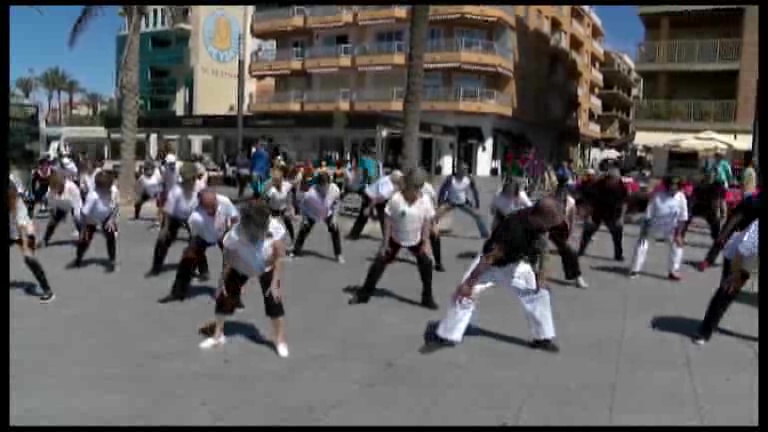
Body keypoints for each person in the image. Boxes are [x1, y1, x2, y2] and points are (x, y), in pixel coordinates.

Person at [425, 198, 565, 352]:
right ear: (541, 217)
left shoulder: (539, 221)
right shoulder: (513, 229)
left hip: (515, 263)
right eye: (551, 223)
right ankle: (447, 335)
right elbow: (489, 258)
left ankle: (542, 338)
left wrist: (542, 276)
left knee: (539, 293)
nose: (551, 227)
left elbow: (544, 248)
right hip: (489, 264)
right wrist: (469, 284)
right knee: (464, 295)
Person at [197, 200, 289, 356]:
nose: (262, 230)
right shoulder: (236, 233)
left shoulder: (275, 227)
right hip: (242, 266)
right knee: (224, 297)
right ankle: (218, 335)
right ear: (248, 224)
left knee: (274, 301)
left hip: (266, 266)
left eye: (264, 225)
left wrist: (275, 282)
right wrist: (224, 278)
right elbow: (228, 254)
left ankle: (279, 340)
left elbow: (279, 253)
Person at [348, 168, 438, 309]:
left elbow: (427, 221)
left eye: (418, 188)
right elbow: (388, 219)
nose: (416, 192)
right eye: (413, 188)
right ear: (407, 185)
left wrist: (426, 242)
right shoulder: (396, 199)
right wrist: (385, 243)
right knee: (378, 264)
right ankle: (363, 295)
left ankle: (427, 298)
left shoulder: (425, 201)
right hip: (395, 238)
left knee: (426, 264)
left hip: (415, 239)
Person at [158, 189, 239, 304]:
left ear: (216, 199)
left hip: (223, 233)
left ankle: (231, 294)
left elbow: (235, 218)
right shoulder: (194, 216)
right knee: (187, 258)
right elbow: (194, 235)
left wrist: (232, 235)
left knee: (233, 263)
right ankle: (177, 292)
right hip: (203, 235)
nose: (214, 211)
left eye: (214, 206)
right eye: (210, 209)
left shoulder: (224, 201)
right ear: (201, 206)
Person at [692, 218, 758, 345]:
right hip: (737, 258)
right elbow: (742, 251)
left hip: (752, 259)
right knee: (726, 292)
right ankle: (704, 331)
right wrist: (736, 274)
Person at [628, 176, 688, 281]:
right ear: (666, 186)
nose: (673, 188)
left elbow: (683, 218)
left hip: (670, 229)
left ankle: (673, 271)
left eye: (676, 186)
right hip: (654, 226)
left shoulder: (681, 197)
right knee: (642, 243)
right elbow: (648, 215)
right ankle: (635, 269)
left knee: (678, 245)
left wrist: (679, 235)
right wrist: (644, 232)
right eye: (671, 186)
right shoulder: (657, 196)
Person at [147, 163, 199, 276]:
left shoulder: (199, 188)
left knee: (197, 243)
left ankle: (196, 268)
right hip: (174, 217)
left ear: (195, 178)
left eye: (191, 179)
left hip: (192, 218)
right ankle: (156, 267)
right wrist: (165, 228)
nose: (189, 182)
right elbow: (168, 212)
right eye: (186, 179)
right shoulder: (176, 191)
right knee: (162, 241)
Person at [8, 183, 55, 303]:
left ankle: (47, 291)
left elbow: (22, 228)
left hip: (25, 234)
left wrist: (25, 247)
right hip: (12, 232)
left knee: (29, 259)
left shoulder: (18, 206)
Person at [67, 171, 120, 273]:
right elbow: (83, 214)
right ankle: (78, 259)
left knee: (111, 236)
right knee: (85, 241)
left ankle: (112, 261)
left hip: (106, 217)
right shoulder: (93, 196)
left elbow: (116, 206)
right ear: (99, 187)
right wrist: (83, 230)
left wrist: (112, 219)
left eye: (109, 185)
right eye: (105, 187)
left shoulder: (113, 190)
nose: (108, 189)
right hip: (90, 220)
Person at [697, 192, 760, 271]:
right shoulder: (751, 198)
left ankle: (710, 261)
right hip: (740, 216)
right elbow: (736, 215)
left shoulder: (750, 198)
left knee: (728, 237)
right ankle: (708, 261)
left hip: (743, 219)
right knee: (724, 237)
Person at [577, 168, 628, 261]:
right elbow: (590, 201)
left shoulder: (621, 186)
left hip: (613, 213)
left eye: (616, 180)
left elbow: (624, 202)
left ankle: (618, 255)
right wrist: (588, 215)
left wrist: (621, 217)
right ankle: (581, 251)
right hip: (598, 211)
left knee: (617, 235)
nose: (613, 182)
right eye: (612, 180)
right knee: (588, 231)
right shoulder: (598, 184)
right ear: (608, 178)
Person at [292, 172, 344, 263]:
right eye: (321, 187)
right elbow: (303, 207)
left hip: (327, 212)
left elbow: (336, 203)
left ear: (329, 183)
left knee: (335, 229)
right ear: (317, 185)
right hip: (312, 213)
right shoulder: (310, 194)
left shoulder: (334, 189)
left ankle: (338, 254)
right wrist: (304, 220)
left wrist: (334, 217)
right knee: (304, 230)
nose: (324, 190)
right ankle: (296, 252)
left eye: (326, 187)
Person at [548, 174, 588, 288]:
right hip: (548, 228)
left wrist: (570, 235)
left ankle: (576, 276)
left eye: (565, 189)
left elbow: (572, 219)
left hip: (561, 230)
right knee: (568, 252)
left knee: (568, 252)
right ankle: (577, 277)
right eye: (561, 189)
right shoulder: (550, 198)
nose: (563, 192)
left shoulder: (570, 202)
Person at [436, 163, 490, 239]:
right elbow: (442, 191)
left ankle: (485, 234)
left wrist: (477, 204)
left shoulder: (469, 179)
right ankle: (429, 230)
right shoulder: (450, 179)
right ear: (457, 170)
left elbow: (475, 191)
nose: (464, 172)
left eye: (466, 170)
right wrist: (440, 204)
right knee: (436, 214)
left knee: (478, 215)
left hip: (463, 203)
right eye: (462, 170)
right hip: (450, 202)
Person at [347, 170, 404, 240]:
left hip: (378, 199)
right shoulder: (385, 183)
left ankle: (388, 237)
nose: (399, 181)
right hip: (369, 197)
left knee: (384, 217)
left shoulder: (392, 181)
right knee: (363, 216)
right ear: (394, 177)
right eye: (398, 180)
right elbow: (377, 199)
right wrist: (369, 208)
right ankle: (353, 235)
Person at [680, 171, 724, 242]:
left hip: (710, 208)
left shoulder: (717, 186)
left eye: (712, 176)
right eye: (708, 176)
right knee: (686, 218)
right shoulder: (699, 185)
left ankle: (716, 239)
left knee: (716, 221)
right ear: (705, 177)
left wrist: (718, 210)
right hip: (698, 205)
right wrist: (689, 210)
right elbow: (693, 198)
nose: (710, 178)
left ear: (714, 177)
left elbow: (717, 200)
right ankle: (681, 235)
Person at [40, 171, 82, 247]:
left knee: (77, 218)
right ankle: (45, 240)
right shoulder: (51, 189)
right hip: (61, 204)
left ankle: (82, 238)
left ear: (62, 183)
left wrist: (76, 214)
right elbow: (50, 202)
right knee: (52, 221)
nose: (56, 189)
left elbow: (77, 203)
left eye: (58, 186)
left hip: (73, 203)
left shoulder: (72, 187)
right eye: (54, 186)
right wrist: (53, 211)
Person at [264, 170, 296, 245]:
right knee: (272, 228)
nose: (277, 182)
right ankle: (269, 243)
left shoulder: (286, 185)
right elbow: (265, 201)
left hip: (283, 210)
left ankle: (292, 239)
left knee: (288, 223)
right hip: (273, 212)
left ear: (281, 180)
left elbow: (293, 187)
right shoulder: (272, 191)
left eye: (278, 180)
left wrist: (292, 206)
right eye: (275, 181)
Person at [421, 177, 445, 272]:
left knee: (435, 236)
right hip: (417, 216)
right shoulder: (410, 187)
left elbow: (434, 200)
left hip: (428, 216)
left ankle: (438, 263)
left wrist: (436, 214)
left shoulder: (428, 187)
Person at [158, 153, 179, 228]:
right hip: (170, 192)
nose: (171, 165)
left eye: (172, 163)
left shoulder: (169, 169)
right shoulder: (168, 169)